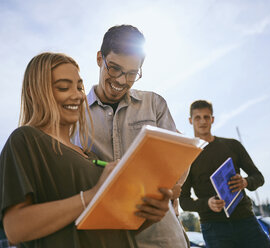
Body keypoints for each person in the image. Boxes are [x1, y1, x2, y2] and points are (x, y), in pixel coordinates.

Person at [0, 52, 173, 248]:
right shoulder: (25, 140)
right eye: (63, 87)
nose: (78, 95)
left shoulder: (91, 156)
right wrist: (91, 196)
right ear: (34, 92)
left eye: (80, 87)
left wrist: (150, 214)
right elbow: (15, 228)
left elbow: (113, 229)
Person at [72, 25, 189, 248]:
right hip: (107, 239)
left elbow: (178, 162)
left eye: (132, 73)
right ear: (100, 58)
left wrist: (172, 184)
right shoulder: (74, 115)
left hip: (163, 238)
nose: (122, 80)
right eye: (114, 68)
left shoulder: (154, 104)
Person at [179, 100, 270, 248]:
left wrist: (245, 182)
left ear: (213, 119)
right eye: (197, 117)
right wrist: (207, 203)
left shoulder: (232, 145)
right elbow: (183, 201)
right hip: (214, 227)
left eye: (206, 117)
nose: (202, 121)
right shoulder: (188, 156)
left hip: (246, 220)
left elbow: (258, 177)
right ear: (190, 121)